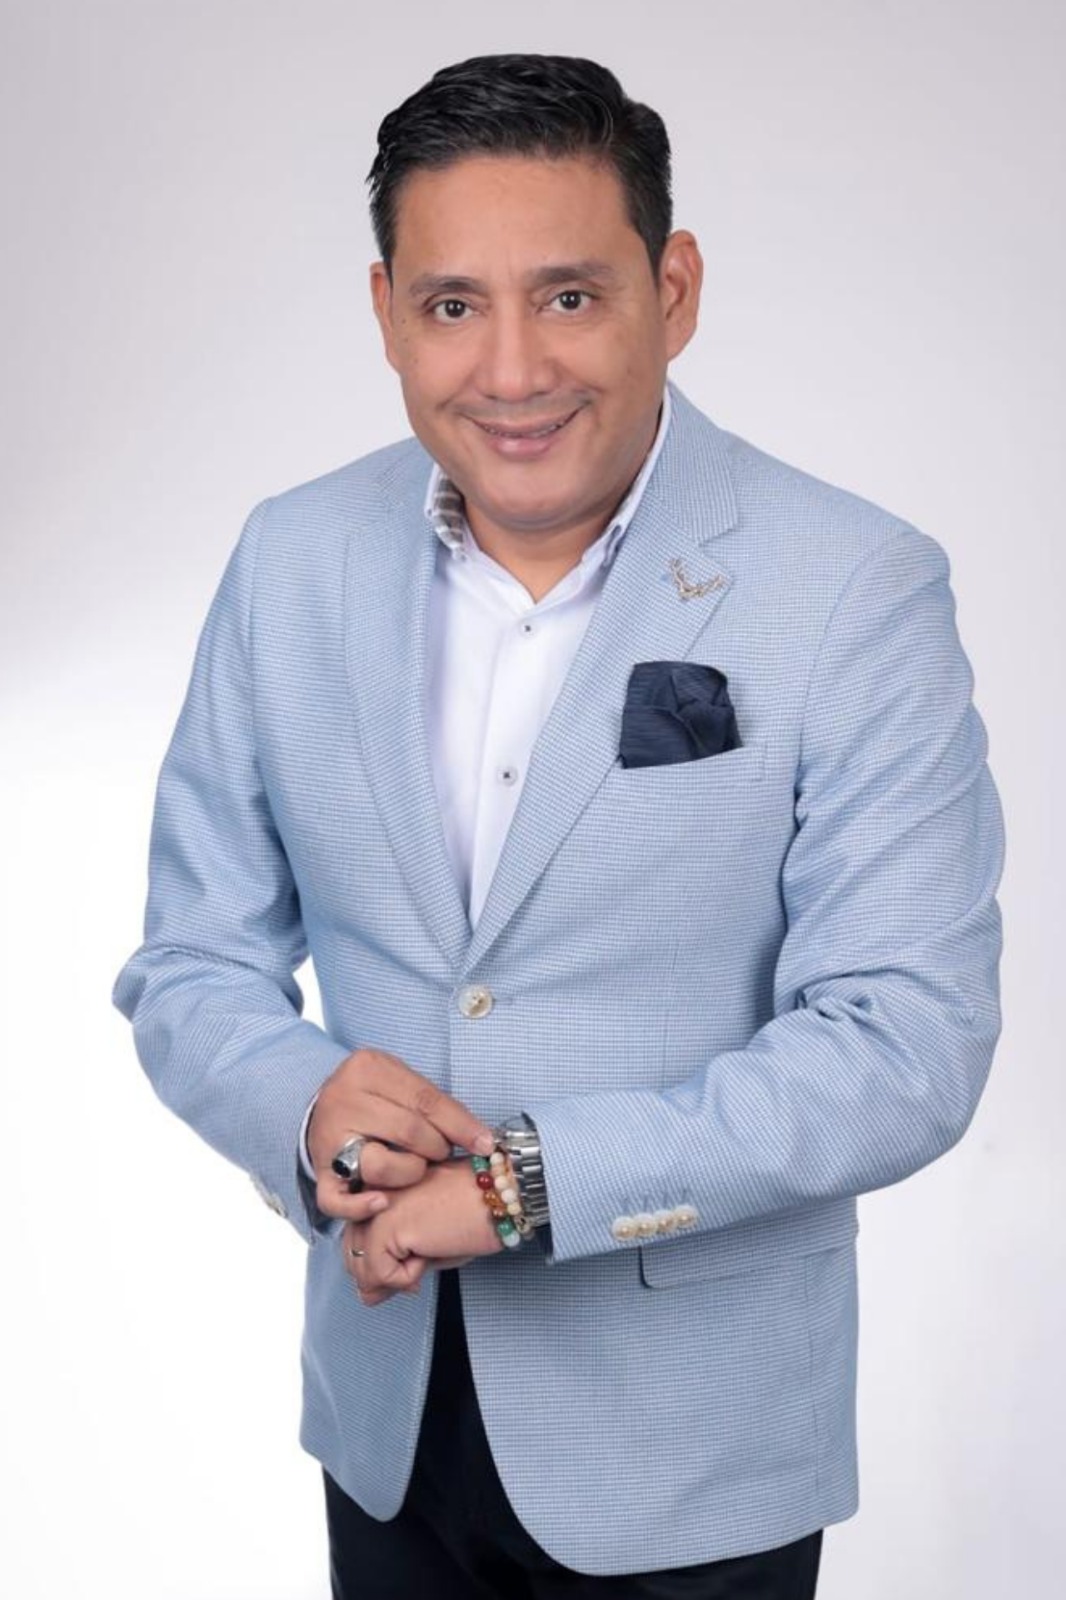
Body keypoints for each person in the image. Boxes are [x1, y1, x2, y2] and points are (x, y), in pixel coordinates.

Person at [112, 52, 1004, 1600]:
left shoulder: (851, 584)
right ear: (387, 311)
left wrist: (523, 1182)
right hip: (386, 1417)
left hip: (694, 1447)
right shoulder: (289, 560)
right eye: (453, 304)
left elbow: (903, 1042)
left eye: (570, 297)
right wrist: (308, 1107)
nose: (511, 369)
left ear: (674, 288)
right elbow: (189, 961)